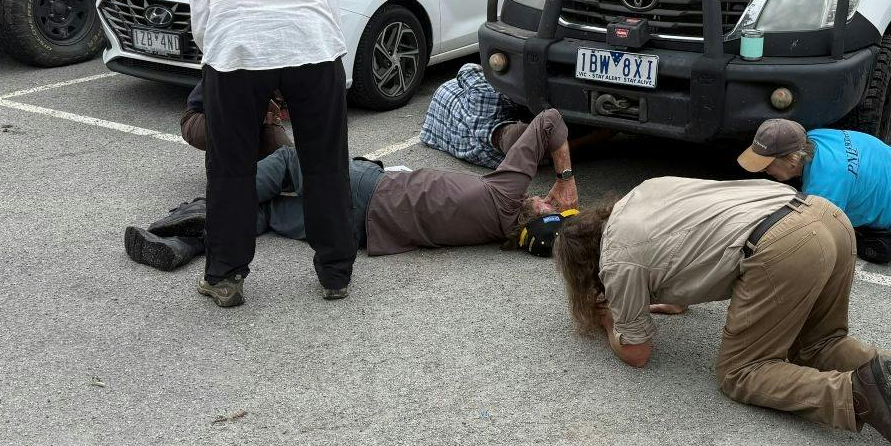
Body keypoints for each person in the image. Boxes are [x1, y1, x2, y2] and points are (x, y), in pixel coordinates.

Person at [552, 177, 891, 446]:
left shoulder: (618, 262)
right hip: (824, 217)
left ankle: (857, 395)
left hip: (781, 247)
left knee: (742, 372)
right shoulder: (641, 196)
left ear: (587, 270)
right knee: (819, 342)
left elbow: (637, 353)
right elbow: (682, 270)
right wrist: (653, 302)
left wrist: (611, 318)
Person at [126, 108, 579, 269]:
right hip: (364, 233)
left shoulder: (504, 194)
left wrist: (565, 180)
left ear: (533, 211)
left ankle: (209, 207)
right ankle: (187, 244)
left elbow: (550, 120)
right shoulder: (494, 229)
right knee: (270, 217)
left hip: (373, 190)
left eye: (544, 205)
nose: (541, 198)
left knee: (287, 164)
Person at [187, 0, 353, 308]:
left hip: (238, 44)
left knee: (230, 167)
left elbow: (201, 4)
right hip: (313, 41)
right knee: (325, 162)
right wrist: (325, 53)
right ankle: (336, 273)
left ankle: (225, 277)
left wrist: (218, 58)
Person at [737, 119, 891, 262]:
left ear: (793, 158)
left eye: (767, 164)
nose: (764, 171)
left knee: (841, 237)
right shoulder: (816, 136)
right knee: (884, 155)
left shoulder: (825, 187)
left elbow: (815, 245)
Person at [419, 62, 530, 168]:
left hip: (447, 95)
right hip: (435, 124)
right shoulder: (502, 159)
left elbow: (467, 68)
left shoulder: (486, 97)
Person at [179, 77, 289, 156]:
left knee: (290, 162)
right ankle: (223, 166)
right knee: (241, 123)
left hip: (242, 116)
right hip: (201, 115)